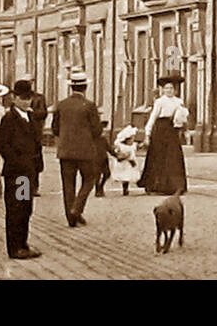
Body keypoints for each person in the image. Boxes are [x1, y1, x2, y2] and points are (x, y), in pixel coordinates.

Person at [0, 79, 43, 259]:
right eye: (22, 98)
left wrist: (37, 165)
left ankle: (23, 243)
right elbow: (2, 145)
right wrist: (17, 162)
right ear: (13, 98)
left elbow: (36, 144)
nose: (26, 102)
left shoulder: (30, 117)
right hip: (17, 174)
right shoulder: (9, 118)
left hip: (28, 173)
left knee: (25, 208)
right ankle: (15, 247)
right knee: (16, 209)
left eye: (28, 98)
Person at [51, 68, 103, 227]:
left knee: (68, 184)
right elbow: (97, 130)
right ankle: (77, 207)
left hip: (65, 151)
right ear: (85, 87)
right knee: (90, 179)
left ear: (71, 87)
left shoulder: (61, 105)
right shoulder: (89, 105)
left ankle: (71, 217)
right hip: (85, 151)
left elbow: (55, 129)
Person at [139, 74, 189, 195]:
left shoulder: (179, 102)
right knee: (159, 157)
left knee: (173, 157)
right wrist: (147, 133)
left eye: (171, 88)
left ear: (175, 90)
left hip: (172, 131)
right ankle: (156, 186)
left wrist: (184, 130)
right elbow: (153, 117)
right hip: (160, 131)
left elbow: (183, 117)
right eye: (166, 88)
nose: (169, 91)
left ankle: (176, 186)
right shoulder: (159, 102)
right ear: (163, 89)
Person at [23, 76, 48, 197]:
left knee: (36, 161)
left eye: (30, 82)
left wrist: (31, 112)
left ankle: (34, 187)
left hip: (35, 133)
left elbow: (43, 113)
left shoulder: (39, 98)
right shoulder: (17, 99)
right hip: (22, 134)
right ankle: (24, 189)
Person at [109, 126, 141, 195]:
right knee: (124, 176)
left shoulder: (133, 145)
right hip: (123, 164)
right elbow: (117, 153)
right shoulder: (120, 146)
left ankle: (126, 188)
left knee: (128, 175)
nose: (133, 140)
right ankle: (125, 188)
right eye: (131, 139)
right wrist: (121, 155)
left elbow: (139, 146)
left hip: (130, 164)